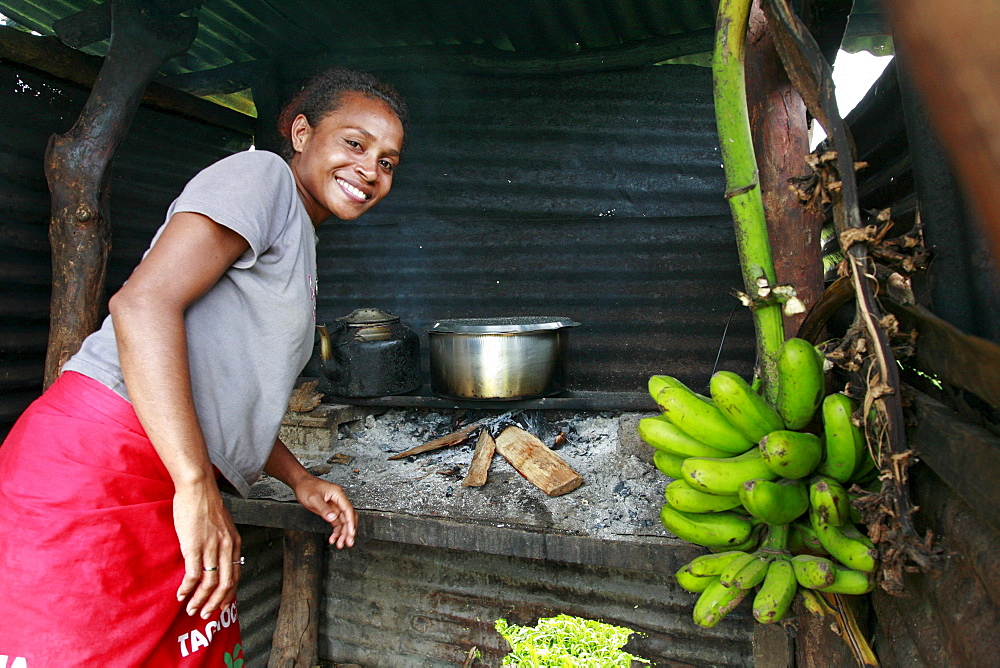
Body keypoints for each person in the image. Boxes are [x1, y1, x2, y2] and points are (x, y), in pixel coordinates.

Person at [0, 68, 407, 665]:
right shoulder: (262, 176)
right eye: (355, 143)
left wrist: (298, 479)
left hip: (170, 475)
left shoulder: (298, 236)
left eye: (388, 161)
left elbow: (223, 389)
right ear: (301, 133)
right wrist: (195, 486)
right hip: (105, 468)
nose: (371, 169)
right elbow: (141, 304)